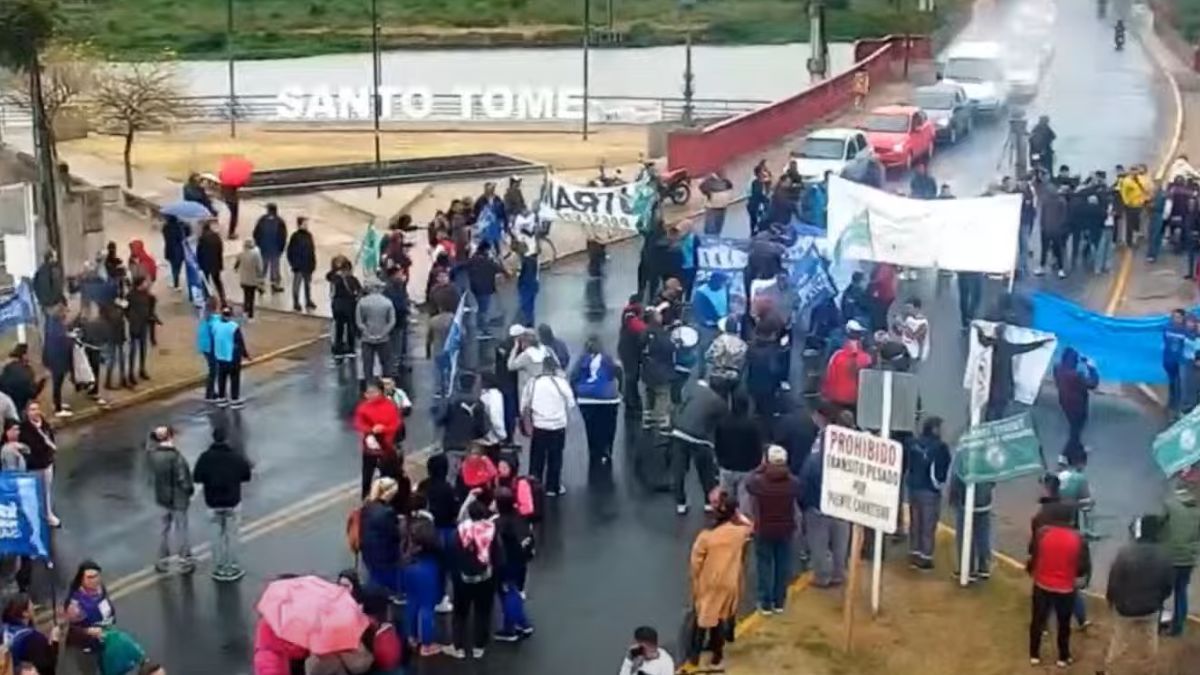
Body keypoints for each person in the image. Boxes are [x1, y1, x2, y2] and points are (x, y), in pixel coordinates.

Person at [686, 490, 752, 669]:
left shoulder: (706, 537)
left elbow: (695, 564)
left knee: (703, 619)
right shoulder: (739, 533)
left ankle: (695, 654)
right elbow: (750, 526)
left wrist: (696, 582)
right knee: (720, 620)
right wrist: (737, 514)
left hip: (710, 584)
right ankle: (717, 656)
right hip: (730, 582)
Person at [1104, 514, 1174, 672]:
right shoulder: (1165, 556)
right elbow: (1168, 585)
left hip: (1125, 608)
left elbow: (1114, 581)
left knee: (1119, 640)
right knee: (1151, 640)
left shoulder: (1125, 553)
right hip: (1151, 608)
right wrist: (1158, 601)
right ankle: (1149, 669)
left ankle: (1110, 668)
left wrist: (1111, 601)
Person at [1028, 502, 1090, 667]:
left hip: (1042, 584)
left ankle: (1034, 654)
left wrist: (1033, 569)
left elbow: (1032, 552)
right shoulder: (1078, 539)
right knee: (1064, 623)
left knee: (1037, 620)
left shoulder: (1043, 534)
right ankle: (1063, 656)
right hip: (1065, 588)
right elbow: (1082, 567)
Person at [192, 425, 253, 582]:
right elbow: (246, 476)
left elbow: (197, 477)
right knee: (231, 536)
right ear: (226, 439)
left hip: (213, 503)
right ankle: (233, 567)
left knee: (216, 537)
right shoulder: (235, 457)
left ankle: (219, 568)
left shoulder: (205, 457)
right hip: (232, 502)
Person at [746, 445, 801, 614]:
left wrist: (761, 467)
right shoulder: (793, 483)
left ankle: (766, 602)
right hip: (785, 529)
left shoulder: (759, 483)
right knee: (782, 565)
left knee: (765, 565)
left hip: (764, 529)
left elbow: (748, 482)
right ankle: (779, 602)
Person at [799, 403, 850, 587]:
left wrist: (805, 501)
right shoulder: (849, 452)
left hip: (818, 504)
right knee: (840, 541)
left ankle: (822, 576)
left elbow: (808, 475)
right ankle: (838, 573)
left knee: (819, 542)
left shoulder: (818, 452)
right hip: (842, 504)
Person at [446, 498, 501, 660]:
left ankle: (458, 646)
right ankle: (479, 646)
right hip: (486, 579)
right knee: (483, 612)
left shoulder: (459, 532)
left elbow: (451, 554)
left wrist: (454, 575)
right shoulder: (492, 530)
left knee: (460, 613)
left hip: (462, 580)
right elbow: (498, 556)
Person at [671, 379, 728, 515]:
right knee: (705, 471)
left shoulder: (697, 389)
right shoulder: (721, 404)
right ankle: (708, 502)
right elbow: (721, 428)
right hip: (700, 439)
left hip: (679, 431)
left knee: (679, 471)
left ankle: (681, 503)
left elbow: (682, 405)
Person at [521, 356, 575, 497]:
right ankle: (553, 487)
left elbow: (524, 404)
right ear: (555, 368)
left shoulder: (533, 382)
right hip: (557, 426)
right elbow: (571, 403)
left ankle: (534, 486)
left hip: (539, 426)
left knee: (537, 458)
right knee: (555, 457)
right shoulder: (560, 383)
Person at [976, 323, 1053, 421]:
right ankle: (994, 425)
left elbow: (982, 340)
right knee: (1000, 408)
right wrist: (1042, 343)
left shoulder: (994, 344)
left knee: (992, 405)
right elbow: (1026, 347)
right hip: (1006, 382)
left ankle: (988, 422)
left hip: (995, 380)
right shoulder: (1008, 347)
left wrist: (978, 329)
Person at [148, 425, 194, 574]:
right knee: (181, 530)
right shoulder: (176, 457)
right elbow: (184, 480)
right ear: (170, 437)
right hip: (178, 499)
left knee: (163, 530)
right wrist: (189, 491)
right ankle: (185, 560)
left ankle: (161, 561)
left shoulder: (153, 456)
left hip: (162, 498)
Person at [906, 417, 951, 569]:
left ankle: (914, 552)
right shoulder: (940, 447)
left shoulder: (913, 444)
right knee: (928, 524)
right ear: (934, 429)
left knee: (915, 522)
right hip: (930, 490)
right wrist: (939, 484)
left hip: (913, 488)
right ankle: (925, 556)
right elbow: (943, 468)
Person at [570, 336, 622, 467]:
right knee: (608, 427)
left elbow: (573, 377)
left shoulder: (582, 360)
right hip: (609, 399)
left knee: (591, 428)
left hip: (587, 399)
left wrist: (575, 393)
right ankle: (607, 450)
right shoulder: (608, 359)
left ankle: (594, 452)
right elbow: (619, 372)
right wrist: (620, 390)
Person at [493, 487, 535, 642]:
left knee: (508, 594)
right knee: (514, 592)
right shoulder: (519, 517)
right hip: (521, 562)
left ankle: (515, 627)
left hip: (506, 564)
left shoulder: (498, 523)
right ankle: (517, 623)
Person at [1160, 478, 1200, 636]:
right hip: (1188, 559)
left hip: (1169, 557)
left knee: (1161, 592)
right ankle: (1177, 628)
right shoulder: (1197, 510)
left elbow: (1158, 525)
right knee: (1181, 592)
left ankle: (1156, 625)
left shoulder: (1168, 505)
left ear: (1176, 490)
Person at [949, 452, 994, 581]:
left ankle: (967, 569)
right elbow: (993, 480)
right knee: (983, 536)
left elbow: (956, 477)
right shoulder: (989, 458)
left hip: (966, 504)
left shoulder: (964, 457)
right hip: (985, 503)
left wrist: (953, 498)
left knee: (965, 536)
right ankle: (983, 567)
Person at [353, 379, 402, 499]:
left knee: (387, 477)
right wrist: (371, 429)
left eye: (374, 392)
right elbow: (357, 424)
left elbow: (396, 423)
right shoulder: (362, 408)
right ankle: (365, 499)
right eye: (368, 393)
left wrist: (383, 429)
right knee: (367, 477)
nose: (370, 395)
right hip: (369, 449)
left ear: (381, 391)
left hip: (386, 447)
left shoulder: (390, 406)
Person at [714, 393, 763, 509]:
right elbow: (756, 447)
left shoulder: (722, 423)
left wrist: (719, 460)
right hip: (746, 469)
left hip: (727, 467)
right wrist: (756, 464)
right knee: (745, 503)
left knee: (726, 501)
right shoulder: (752, 426)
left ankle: (726, 523)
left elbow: (718, 444)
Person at [359, 477, 403, 596]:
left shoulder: (367, 507)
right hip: (384, 554)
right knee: (386, 581)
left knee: (374, 577)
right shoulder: (387, 512)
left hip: (368, 551)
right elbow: (394, 534)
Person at [19, 403, 59, 528]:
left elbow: (51, 438)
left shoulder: (45, 424)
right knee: (32, 493)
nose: (35, 412)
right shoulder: (24, 428)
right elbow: (30, 447)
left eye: (36, 409)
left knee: (46, 491)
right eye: (31, 409)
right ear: (27, 412)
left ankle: (48, 514)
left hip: (47, 463)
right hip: (34, 466)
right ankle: (32, 517)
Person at [821, 321, 871, 415]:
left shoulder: (836, 356)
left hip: (835, 401)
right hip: (855, 402)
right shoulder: (866, 358)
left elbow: (828, 377)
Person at [2, 593, 60, 674]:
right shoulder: (34, 638)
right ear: (25, 613)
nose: (33, 608)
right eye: (31, 606)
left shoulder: (2, 630)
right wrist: (54, 642)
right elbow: (48, 669)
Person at [64, 560, 114, 651]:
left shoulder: (100, 588)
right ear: (81, 579)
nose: (94, 580)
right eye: (90, 577)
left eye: (96, 576)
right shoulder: (75, 604)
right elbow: (73, 629)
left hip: (104, 633)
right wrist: (88, 631)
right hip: (88, 643)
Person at [640, 309, 676, 432]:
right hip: (662, 371)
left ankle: (647, 419)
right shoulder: (661, 334)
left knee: (649, 394)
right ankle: (662, 421)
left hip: (647, 370)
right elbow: (669, 348)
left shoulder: (644, 332)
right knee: (662, 395)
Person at [1055, 348, 1099, 447]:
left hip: (1064, 401)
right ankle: (1066, 454)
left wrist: (1082, 360)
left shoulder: (1057, 369)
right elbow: (1093, 384)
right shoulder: (1076, 376)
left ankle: (1077, 447)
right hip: (1078, 405)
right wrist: (1092, 368)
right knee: (1076, 429)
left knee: (1074, 426)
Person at [356, 280, 397, 384]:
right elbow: (392, 321)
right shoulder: (387, 302)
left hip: (367, 338)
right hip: (384, 338)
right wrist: (383, 333)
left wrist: (367, 333)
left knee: (367, 365)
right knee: (386, 364)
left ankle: (369, 386)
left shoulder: (362, 302)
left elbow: (359, 321)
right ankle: (387, 387)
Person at [211, 306, 250, 408]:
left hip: (219, 355)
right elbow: (240, 342)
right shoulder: (233, 326)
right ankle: (234, 400)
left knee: (221, 377)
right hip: (232, 356)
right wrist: (245, 355)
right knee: (234, 378)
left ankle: (221, 398)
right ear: (231, 315)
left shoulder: (215, 325)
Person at [465, 242, 506, 338]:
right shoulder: (488, 261)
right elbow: (499, 269)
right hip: (485, 288)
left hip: (475, 288)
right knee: (483, 310)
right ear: (486, 250)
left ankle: (481, 328)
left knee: (481, 308)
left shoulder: (472, 260)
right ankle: (482, 330)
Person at [41, 303, 74, 418]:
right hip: (58, 360)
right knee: (57, 384)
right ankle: (58, 409)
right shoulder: (57, 326)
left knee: (57, 384)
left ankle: (57, 403)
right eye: (65, 312)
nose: (66, 314)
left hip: (53, 359)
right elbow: (62, 342)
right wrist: (70, 339)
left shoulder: (51, 323)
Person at [328, 257, 363, 361]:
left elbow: (329, 277)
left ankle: (338, 348)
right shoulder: (352, 279)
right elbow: (360, 291)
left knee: (339, 327)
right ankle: (350, 348)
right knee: (351, 327)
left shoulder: (336, 278)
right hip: (350, 306)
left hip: (337, 306)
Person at [126, 276, 158, 383]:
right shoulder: (130, 295)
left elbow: (150, 309)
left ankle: (142, 369)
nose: (147, 284)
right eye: (145, 282)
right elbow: (126, 309)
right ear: (140, 284)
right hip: (135, 326)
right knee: (133, 351)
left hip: (144, 325)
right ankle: (131, 373)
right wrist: (131, 318)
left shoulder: (147, 295)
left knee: (143, 349)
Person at [252, 203, 288, 293]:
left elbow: (255, 233)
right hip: (272, 249)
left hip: (266, 249)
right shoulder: (279, 221)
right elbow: (283, 236)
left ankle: (262, 285)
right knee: (273, 268)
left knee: (265, 268)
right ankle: (273, 285)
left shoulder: (262, 220)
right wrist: (281, 247)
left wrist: (258, 244)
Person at [286, 216, 318, 312]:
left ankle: (308, 301)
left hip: (308, 265)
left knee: (307, 285)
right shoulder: (295, 237)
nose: (307, 225)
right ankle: (296, 302)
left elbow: (312, 250)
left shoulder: (309, 235)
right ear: (300, 224)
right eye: (305, 223)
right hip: (299, 266)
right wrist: (293, 264)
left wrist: (313, 263)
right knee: (297, 285)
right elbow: (290, 251)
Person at [0, 346, 42, 419]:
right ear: (24, 356)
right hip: (18, 406)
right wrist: (42, 383)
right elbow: (32, 394)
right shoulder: (27, 372)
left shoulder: (7, 367)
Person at [196, 219, 226, 304]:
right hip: (216, 263)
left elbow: (199, 252)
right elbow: (220, 250)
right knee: (217, 281)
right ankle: (222, 297)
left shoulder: (202, 238)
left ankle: (207, 296)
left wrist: (199, 264)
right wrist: (220, 263)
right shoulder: (216, 236)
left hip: (205, 264)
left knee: (205, 280)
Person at [1164, 309, 1189, 416]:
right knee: (1172, 382)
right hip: (1169, 360)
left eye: (1178, 317)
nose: (1176, 319)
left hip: (1181, 361)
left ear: (1183, 318)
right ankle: (1171, 404)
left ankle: (1178, 407)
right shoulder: (1167, 327)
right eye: (1174, 317)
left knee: (1179, 383)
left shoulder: (1186, 331)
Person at [196, 301, 220, 403]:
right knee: (213, 370)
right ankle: (209, 394)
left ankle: (211, 392)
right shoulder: (214, 319)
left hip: (205, 346)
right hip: (211, 347)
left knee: (213, 369)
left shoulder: (204, 317)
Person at [234, 238, 264, 320]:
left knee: (246, 296)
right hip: (252, 280)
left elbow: (236, 265)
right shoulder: (256, 254)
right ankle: (251, 315)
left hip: (243, 280)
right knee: (251, 297)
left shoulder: (241, 253)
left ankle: (245, 312)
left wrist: (236, 269)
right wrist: (260, 277)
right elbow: (259, 268)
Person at [32, 249, 65, 317]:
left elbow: (35, 286)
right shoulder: (54, 270)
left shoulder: (40, 271)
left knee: (48, 323)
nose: (56, 258)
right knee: (56, 323)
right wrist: (59, 300)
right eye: (55, 256)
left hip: (44, 304)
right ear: (51, 258)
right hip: (53, 303)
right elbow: (57, 287)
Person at [161, 215, 189, 290]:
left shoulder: (165, 227)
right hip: (179, 250)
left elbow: (165, 235)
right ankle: (176, 282)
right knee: (177, 266)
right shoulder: (180, 227)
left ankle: (176, 283)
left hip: (170, 250)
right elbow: (184, 236)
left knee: (174, 267)